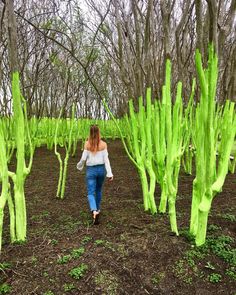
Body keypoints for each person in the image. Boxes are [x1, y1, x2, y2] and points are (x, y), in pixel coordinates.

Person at [77, 125, 113, 224]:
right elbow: (106, 160)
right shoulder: (104, 144)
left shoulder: (87, 144)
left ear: (90, 132)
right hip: (101, 170)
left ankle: (94, 210)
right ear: (99, 132)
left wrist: (79, 166)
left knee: (90, 192)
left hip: (91, 171)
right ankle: (97, 209)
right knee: (98, 190)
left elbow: (83, 159)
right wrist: (109, 173)